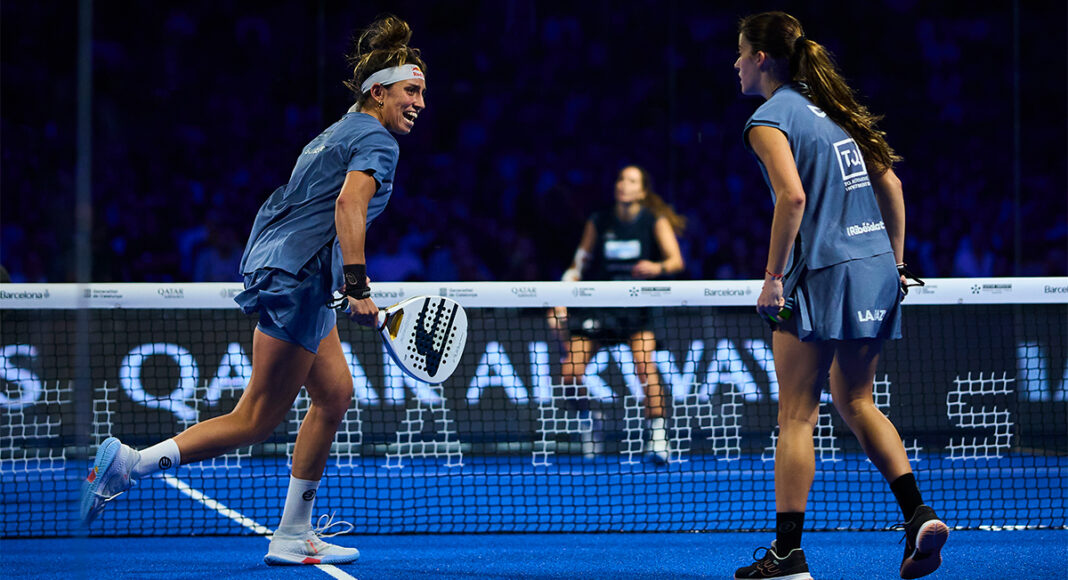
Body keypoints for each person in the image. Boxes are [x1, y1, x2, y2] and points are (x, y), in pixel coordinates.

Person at [79, 15, 428, 566]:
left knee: (334, 394)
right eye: (411, 91)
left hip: (290, 270)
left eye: (422, 92)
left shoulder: (335, 132)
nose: (420, 103)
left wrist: (336, 281)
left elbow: (306, 208)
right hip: (298, 278)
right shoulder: (378, 141)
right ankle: (131, 463)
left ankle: (293, 531)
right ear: (379, 92)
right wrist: (358, 283)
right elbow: (347, 206)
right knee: (258, 417)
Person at [730, 12, 947, 580]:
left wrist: (773, 277)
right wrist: (896, 263)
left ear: (761, 60)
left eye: (740, 53)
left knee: (796, 416)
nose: (734, 63)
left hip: (821, 272)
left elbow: (792, 199)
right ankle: (917, 514)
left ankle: (788, 555)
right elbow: (892, 184)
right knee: (857, 401)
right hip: (875, 267)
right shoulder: (836, 112)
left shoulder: (767, 120)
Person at [553, 165, 685, 464]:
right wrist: (560, 295)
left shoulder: (654, 221)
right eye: (621, 179)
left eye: (632, 180)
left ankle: (658, 437)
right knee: (569, 374)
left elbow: (675, 261)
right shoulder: (599, 221)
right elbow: (579, 264)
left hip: (638, 308)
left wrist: (656, 268)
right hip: (601, 305)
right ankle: (590, 418)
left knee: (643, 366)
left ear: (642, 191)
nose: (623, 184)